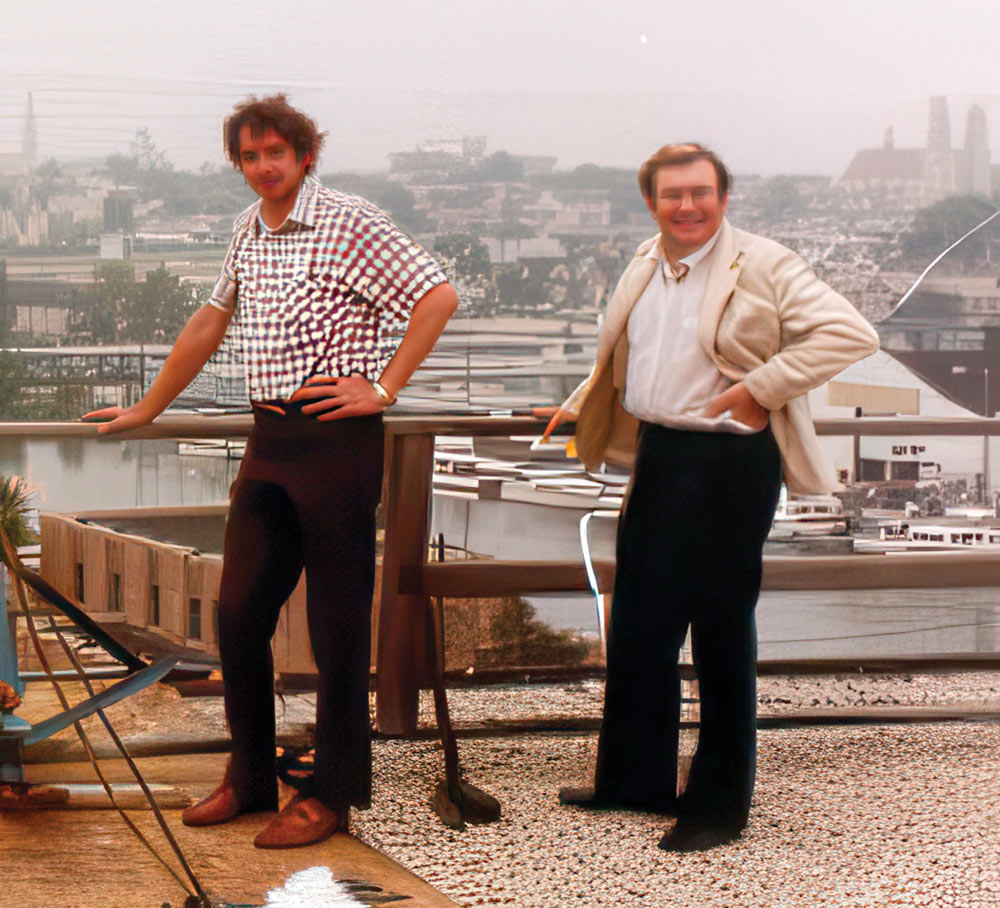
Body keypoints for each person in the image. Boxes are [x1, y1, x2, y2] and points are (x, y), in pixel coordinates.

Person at [84, 95, 458, 848]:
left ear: (305, 155)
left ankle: (332, 795)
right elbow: (210, 320)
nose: (263, 167)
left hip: (336, 441)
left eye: (275, 154)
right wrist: (149, 407)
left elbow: (438, 295)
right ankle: (251, 777)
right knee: (237, 615)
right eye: (249, 156)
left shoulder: (349, 221)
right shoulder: (247, 230)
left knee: (337, 627)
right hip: (269, 442)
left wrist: (384, 388)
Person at [549, 143, 878, 852]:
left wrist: (761, 387)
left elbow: (853, 333)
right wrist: (581, 402)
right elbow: (641, 354)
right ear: (651, 202)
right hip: (660, 454)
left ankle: (718, 807)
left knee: (721, 633)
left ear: (724, 198)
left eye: (701, 192)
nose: (687, 206)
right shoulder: (645, 261)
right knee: (639, 624)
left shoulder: (764, 263)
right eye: (672, 194)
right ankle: (633, 783)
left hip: (731, 462)